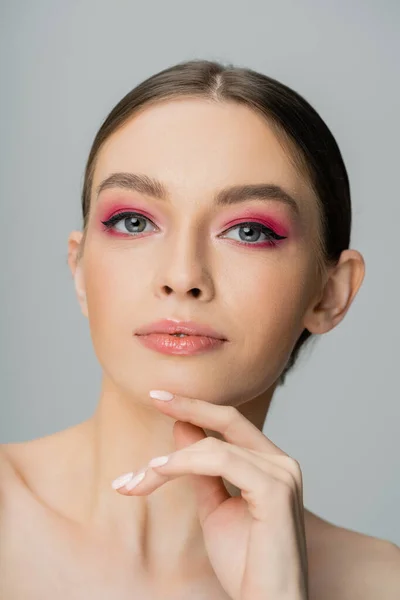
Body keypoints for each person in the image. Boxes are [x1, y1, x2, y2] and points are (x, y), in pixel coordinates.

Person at [0, 58, 399, 599]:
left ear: (330, 293)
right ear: (79, 269)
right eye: (133, 222)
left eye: (250, 230)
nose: (183, 276)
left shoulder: (379, 584)